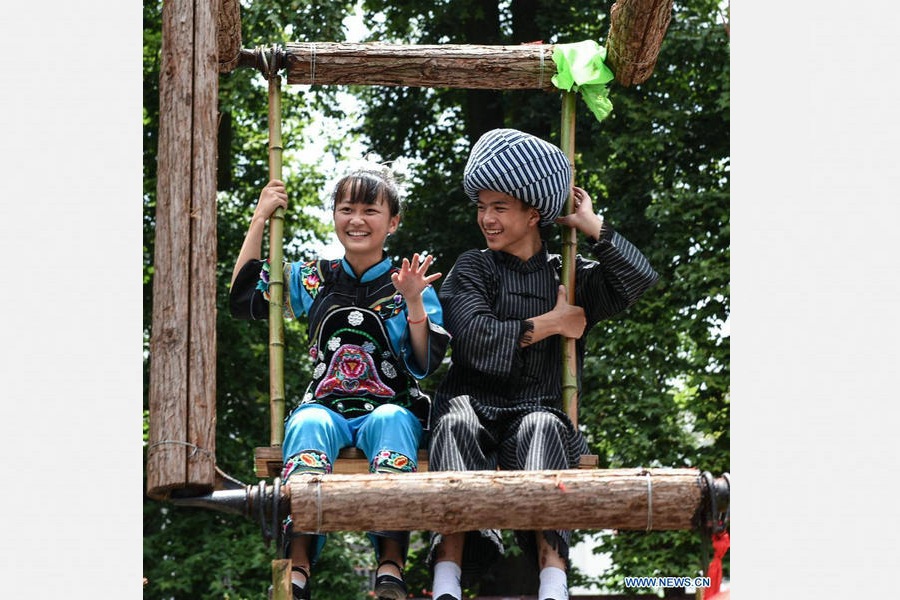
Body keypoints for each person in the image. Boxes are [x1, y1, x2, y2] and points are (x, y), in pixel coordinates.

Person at [427, 128, 659, 600]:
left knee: (542, 427)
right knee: (454, 425)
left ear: (534, 213)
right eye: (481, 207)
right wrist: (554, 323)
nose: (485, 219)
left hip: (539, 410)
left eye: (499, 208)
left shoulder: (567, 272)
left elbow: (639, 278)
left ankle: (554, 582)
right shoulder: (471, 267)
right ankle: (445, 581)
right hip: (471, 405)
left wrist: (591, 226)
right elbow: (472, 339)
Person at [230, 167, 450, 600]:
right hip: (325, 407)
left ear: (393, 221)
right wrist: (261, 217)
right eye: (346, 209)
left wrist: (412, 303)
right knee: (306, 423)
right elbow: (243, 299)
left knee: (390, 420)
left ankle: (390, 566)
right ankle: (298, 567)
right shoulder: (314, 277)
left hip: (391, 406)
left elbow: (426, 363)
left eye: (371, 210)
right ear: (333, 215)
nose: (357, 219)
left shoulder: (410, 281)